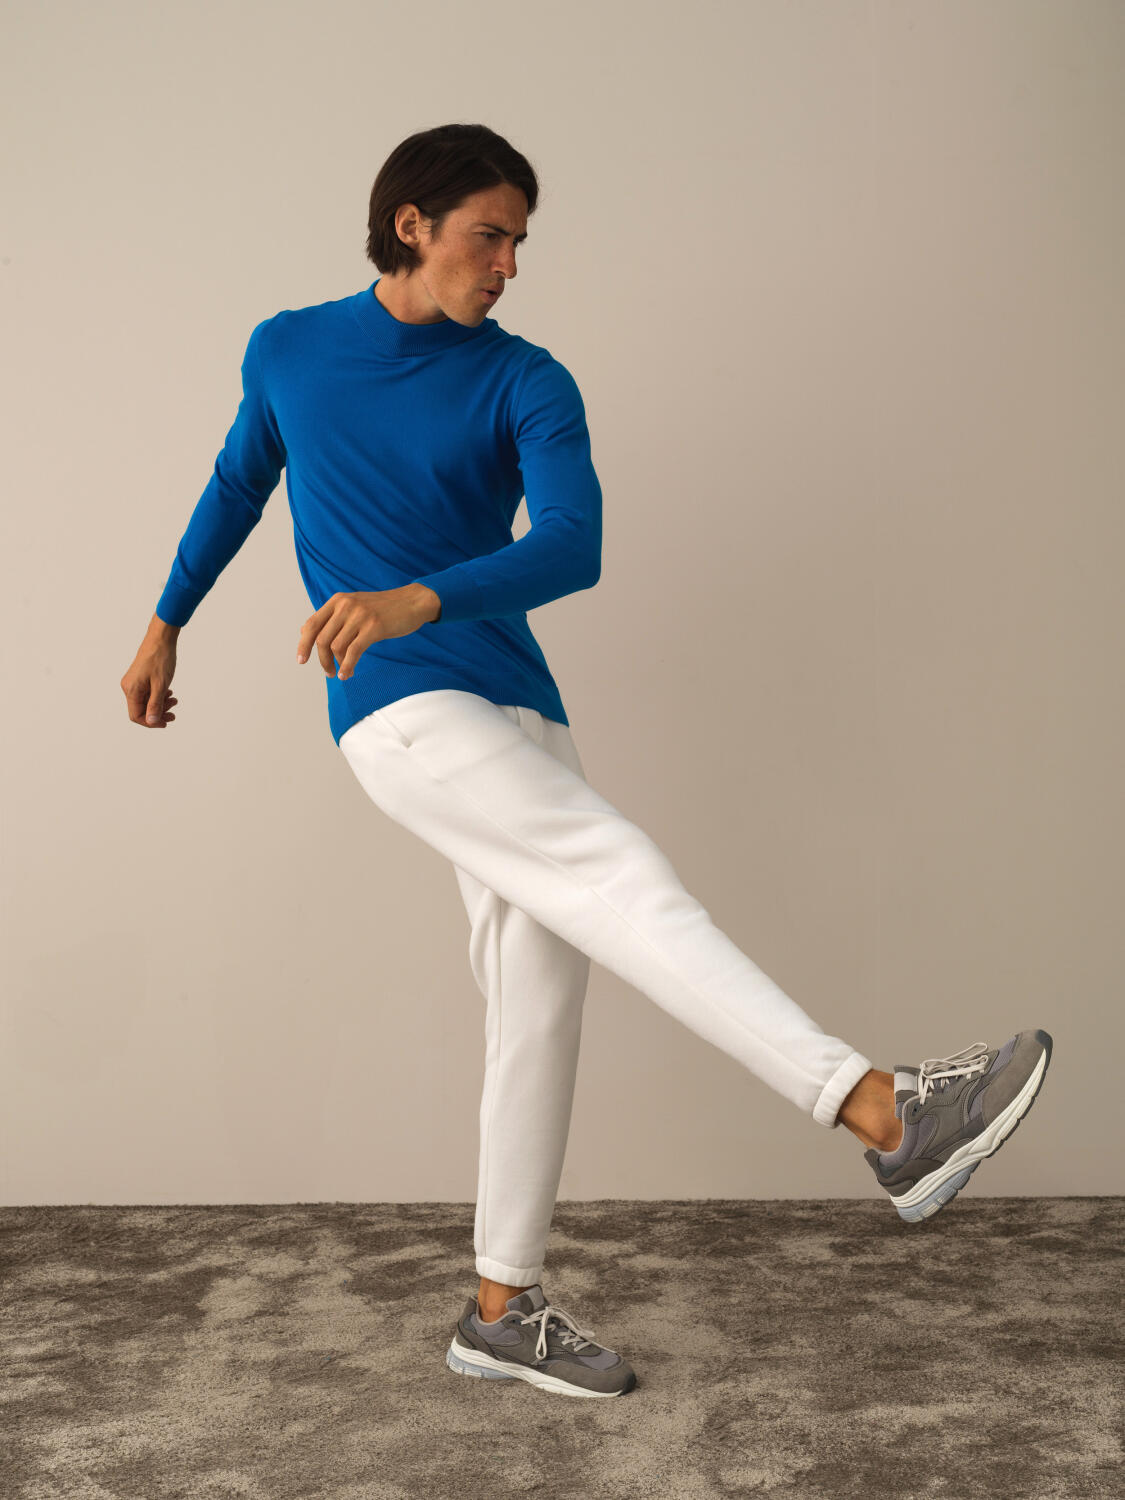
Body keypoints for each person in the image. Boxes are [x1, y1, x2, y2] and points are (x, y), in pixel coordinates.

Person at [119, 123, 1053, 1400]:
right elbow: (239, 483)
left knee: (539, 1007)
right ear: (412, 225)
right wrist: (165, 621)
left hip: (516, 704)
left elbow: (573, 543)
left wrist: (419, 594)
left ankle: (501, 1309)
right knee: (620, 870)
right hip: (398, 705)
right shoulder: (288, 349)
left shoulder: (528, 380)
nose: (509, 264)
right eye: (488, 236)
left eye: (520, 242)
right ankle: (881, 1109)